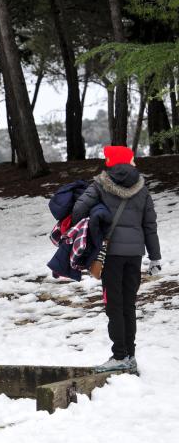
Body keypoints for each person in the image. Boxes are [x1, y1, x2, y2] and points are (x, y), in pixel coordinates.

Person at [71, 145, 161, 372]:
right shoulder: (142, 189)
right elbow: (150, 225)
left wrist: (96, 218)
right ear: (127, 161)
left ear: (111, 161)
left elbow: (78, 209)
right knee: (129, 304)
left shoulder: (100, 184)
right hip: (135, 255)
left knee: (114, 305)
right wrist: (155, 257)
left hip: (111, 255)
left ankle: (119, 355)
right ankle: (130, 354)